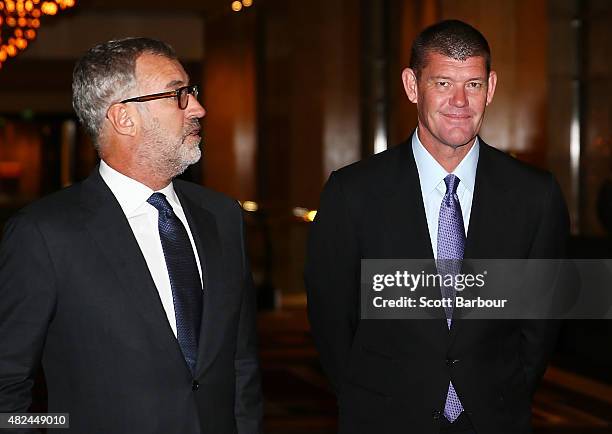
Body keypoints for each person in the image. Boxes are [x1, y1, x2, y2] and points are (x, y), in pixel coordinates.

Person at [305, 20, 569, 434]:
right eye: (443, 83)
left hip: (495, 418)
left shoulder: (535, 195)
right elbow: (332, 319)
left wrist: (503, 392)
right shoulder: (352, 192)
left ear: (492, 87)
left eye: (474, 85)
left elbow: (540, 322)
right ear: (412, 85)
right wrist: (368, 399)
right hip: (384, 418)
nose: (460, 101)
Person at [0, 37, 262, 434]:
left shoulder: (222, 216)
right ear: (124, 118)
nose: (198, 108)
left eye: (191, 92)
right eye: (179, 95)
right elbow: (7, 386)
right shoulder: (44, 233)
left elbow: (240, 364)